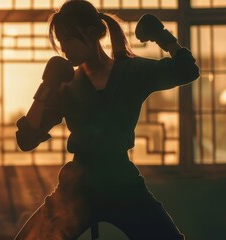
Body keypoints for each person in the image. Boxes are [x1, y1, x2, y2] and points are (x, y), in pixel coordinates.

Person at [14, 0, 200, 239]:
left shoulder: (131, 72)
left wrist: (162, 37)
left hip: (122, 185)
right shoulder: (67, 85)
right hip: (77, 189)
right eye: (60, 42)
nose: (64, 48)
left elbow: (187, 70)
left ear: (91, 33)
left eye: (68, 39)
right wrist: (45, 87)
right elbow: (27, 138)